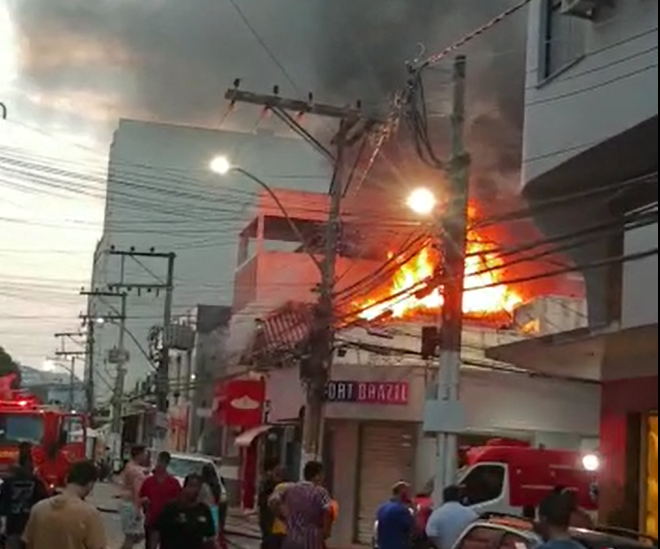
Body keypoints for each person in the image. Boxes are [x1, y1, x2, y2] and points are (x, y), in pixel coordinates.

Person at [21, 460, 107, 549]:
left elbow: (28, 542)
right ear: (90, 484)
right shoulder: (89, 514)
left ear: (66, 479)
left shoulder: (38, 508)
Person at [271, 461, 333, 549]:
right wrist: (326, 532)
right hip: (312, 541)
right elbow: (328, 510)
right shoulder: (321, 492)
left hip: (291, 540)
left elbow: (273, 502)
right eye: (322, 475)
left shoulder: (290, 489)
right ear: (317, 476)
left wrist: (284, 518)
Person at [0, 443, 49, 549]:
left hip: (13, 527)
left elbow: (2, 505)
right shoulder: (37, 483)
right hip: (32, 528)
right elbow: (44, 505)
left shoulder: (8, 482)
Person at [150, 473, 217, 549]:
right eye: (192, 486)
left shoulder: (204, 510)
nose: (195, 490)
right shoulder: (172, 507)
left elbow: (210, 538)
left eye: (198, 487)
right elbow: (156, 530)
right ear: (185, 487)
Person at [140, 451, 182, 549]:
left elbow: (179, 501)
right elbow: (141, 497)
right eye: (159, 461)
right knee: (150, 545)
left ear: (167, 464)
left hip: (168, 521)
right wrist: (144, 504)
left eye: (163, 462)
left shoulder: (173, 483)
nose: (160, 464)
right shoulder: (148, 481)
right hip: (151, 519)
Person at [118, 445, 149, 549]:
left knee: (132, 536)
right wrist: (137, 508)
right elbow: (137, 491)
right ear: (139, 455)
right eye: (144, 453)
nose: (146, 456)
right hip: (131, 504)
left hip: (127, 503)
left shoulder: (129, 466)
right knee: (132, 537)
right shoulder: (136, 471)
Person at [376, 482, 417, 549]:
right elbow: (413, 529)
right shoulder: (402, 510)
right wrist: (414, 508)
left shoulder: (382, 508)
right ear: (403, 493)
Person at [259, 460, 285, 549]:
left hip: (277, 521)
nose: (279, 474)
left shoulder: (281, 484)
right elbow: (263, 501)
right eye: (276, 471)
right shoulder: (266, 484)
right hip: (268, 518)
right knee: (269, 540)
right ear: (269, 472)